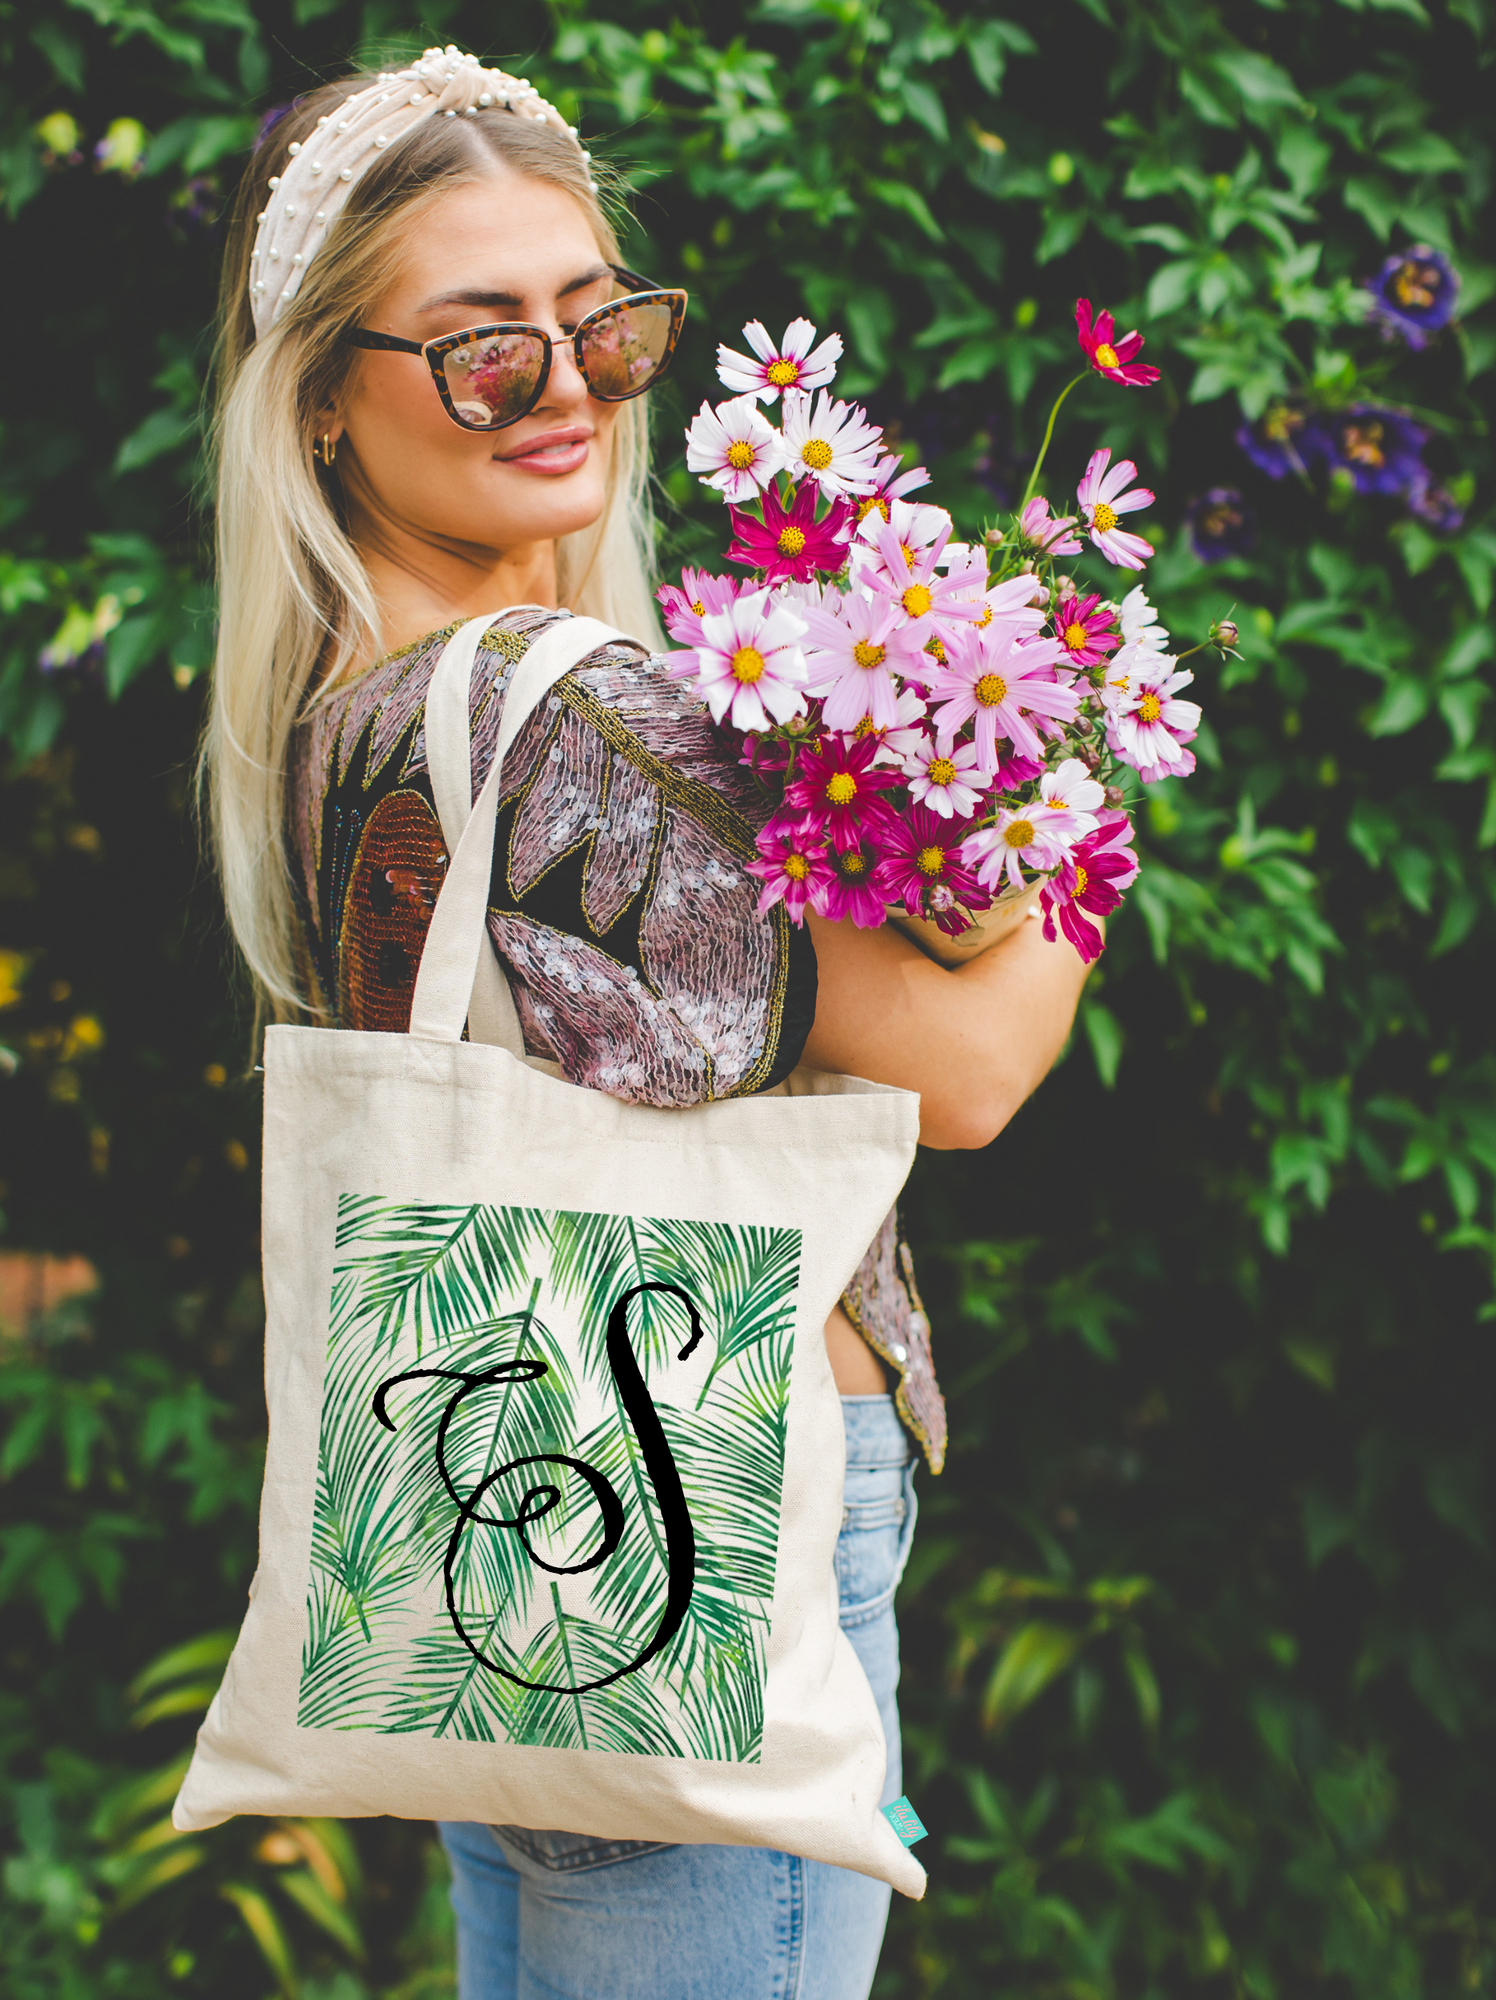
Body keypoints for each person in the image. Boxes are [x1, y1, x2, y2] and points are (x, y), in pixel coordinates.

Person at [203, 47, 1095, 2000]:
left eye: (594, 325)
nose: (566, 386)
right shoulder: (571, 704)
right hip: (711, 1526)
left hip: (506, 1528)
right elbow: (965, 1072)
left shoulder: (355, 710)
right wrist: (1062, 786)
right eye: (476, 347)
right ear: (326, 402)